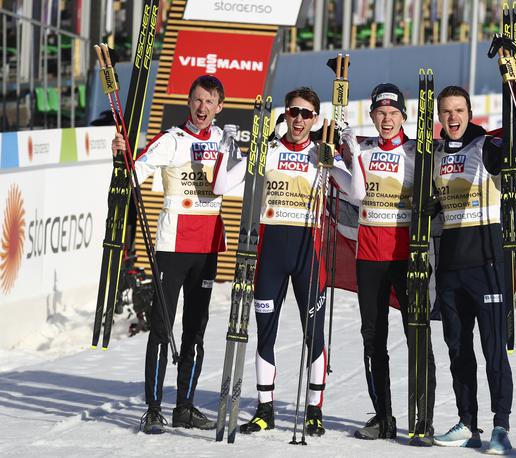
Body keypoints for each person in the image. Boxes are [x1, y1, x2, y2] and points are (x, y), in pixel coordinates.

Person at [112, 75, 246, 435]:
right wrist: (121, 156)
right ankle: (154, 409)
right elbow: (135, 170)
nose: (202, 108)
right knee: (161, 326)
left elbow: (244, 178)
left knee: (196, 330)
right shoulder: (173, 140)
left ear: (219, 107)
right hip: (173, 245)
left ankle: (184, 406)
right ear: (189, 102)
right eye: (197, 100)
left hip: (207, 247)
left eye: (209, 102)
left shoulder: (224, 141)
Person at [218, 87, 351, 438]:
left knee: (314, 333)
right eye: (294, 111)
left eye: (307, 114)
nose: (299, 119)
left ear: (315, 120)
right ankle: (265, 410)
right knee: (266, 332)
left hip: (309, 251)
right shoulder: (269, 151)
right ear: (286, 113)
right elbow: (222, 184)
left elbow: (358, 193)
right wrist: (227, 150)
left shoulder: (320, 154)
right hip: (271, 250)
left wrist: (341, 153)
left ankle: (314, 411)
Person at [430, 85, 516, 454]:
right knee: (458, 350)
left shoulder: (484, 146)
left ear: (469, 112)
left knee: (492, 351)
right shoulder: (436, 154)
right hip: (451, 269)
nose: (453, 118)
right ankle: (466, 422)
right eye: (446, 112)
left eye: (459, 110)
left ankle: (500, 426)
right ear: (439, 116)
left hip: (488, 264)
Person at [343, 83, 437, 446]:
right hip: (369, 258)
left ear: (403, 116)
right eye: (380, 113)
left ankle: (423, 420)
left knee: (417, 336)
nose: (386, 119)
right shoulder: (361, 151)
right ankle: (383, 417)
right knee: (373, 339)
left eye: (393, 113)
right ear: (372, 116)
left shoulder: (418, 153)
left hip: (407, 257)